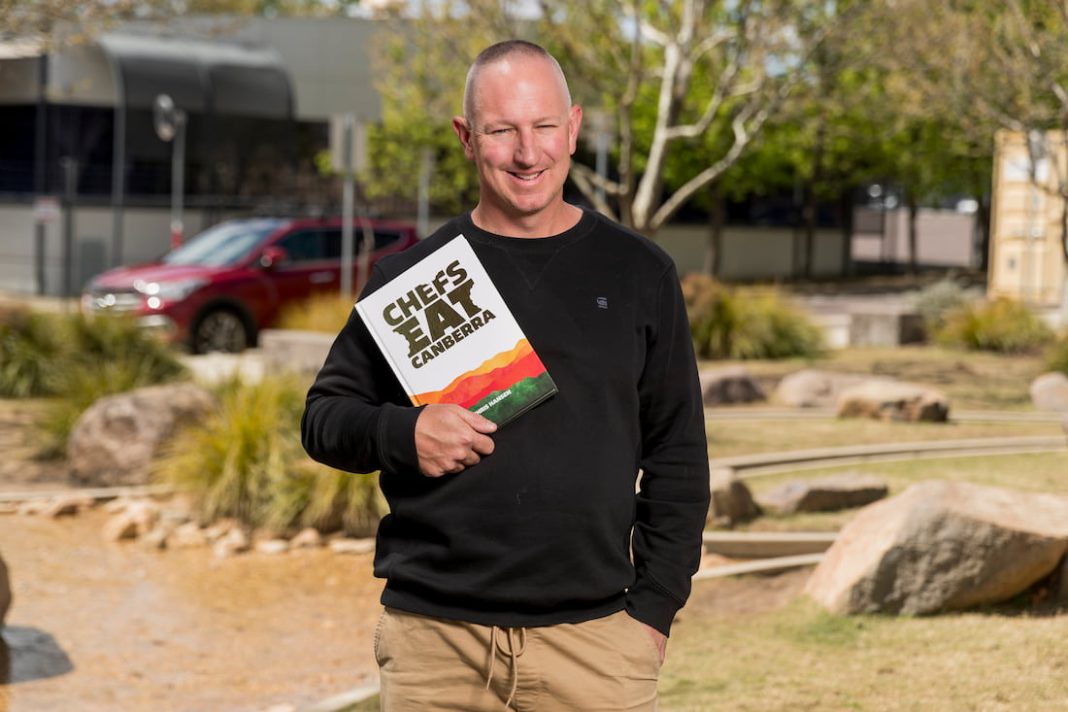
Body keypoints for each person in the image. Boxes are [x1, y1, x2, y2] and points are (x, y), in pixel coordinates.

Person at [302, 39, 710, 711]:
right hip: (437, 647)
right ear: (467, 137)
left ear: (573, 128)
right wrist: (403, 433)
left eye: (544, 126)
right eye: (502, 131)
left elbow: (679, 456)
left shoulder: (639, 273)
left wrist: (654, 613)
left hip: (598, 647)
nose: (528, 153)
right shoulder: (412, 282)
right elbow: (322, 419)